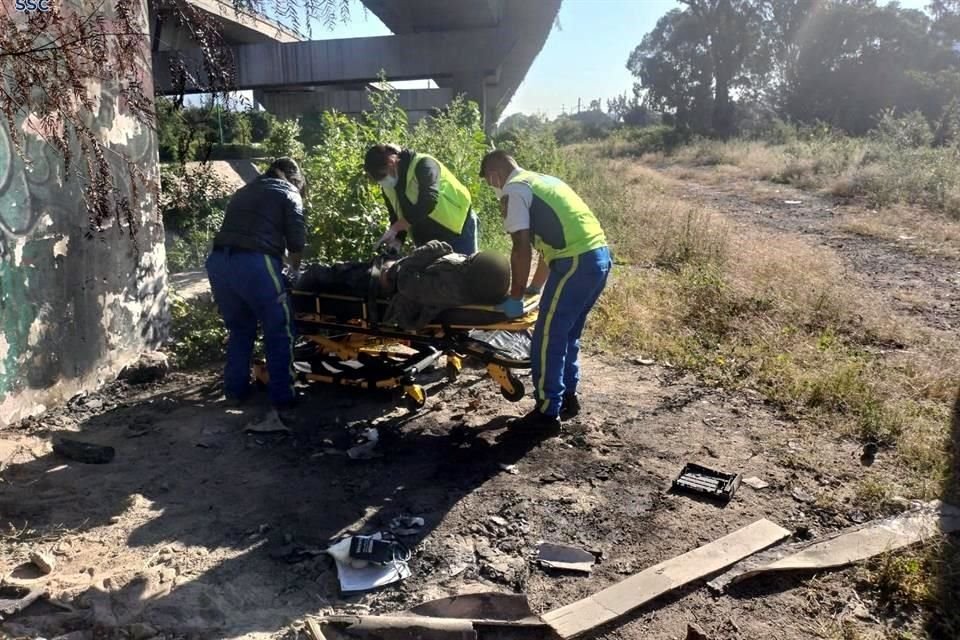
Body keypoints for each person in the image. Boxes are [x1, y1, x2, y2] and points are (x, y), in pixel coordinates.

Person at [480, 150, 612, 435]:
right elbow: (546, 250)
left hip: (575, 262)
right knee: (566, 334)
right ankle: (567, 399)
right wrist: (534, 288)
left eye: (490, 182)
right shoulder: (542, 181)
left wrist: (515, 297)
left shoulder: (515, 190)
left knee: (546, 338)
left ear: (494, 175)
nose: (493, 188)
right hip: (597, 257)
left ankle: (546, 413)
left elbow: (521, 248)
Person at [205, 157, 306, 417]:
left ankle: (235, 392)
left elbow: (246, 229)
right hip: (254, 263)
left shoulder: (244, 190)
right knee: (280, 329)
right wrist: (294, 270)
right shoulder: (289, 191)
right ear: (292, 177)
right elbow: (296, 239)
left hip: (219, 262)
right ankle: (284, 397)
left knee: (240, 329)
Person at [296, 240, 510, 330]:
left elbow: (406, 285)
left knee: (325, 276)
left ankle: (293, 284)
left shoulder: (449, 289)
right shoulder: (465, 279)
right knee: (336, 271)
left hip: (383, 292)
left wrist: (429, 250)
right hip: (389, 276)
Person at [364, 144, 478, 255]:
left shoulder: (423, 164)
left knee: (467, 270)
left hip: (458, 227)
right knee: (436, 273)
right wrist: (397, 240)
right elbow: (397, 217)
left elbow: (429, 200)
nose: (382, 181)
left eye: (382, 175)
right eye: (378, 179)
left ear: (391, 163)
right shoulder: (388, 187)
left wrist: (395, 228)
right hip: (428, 239)